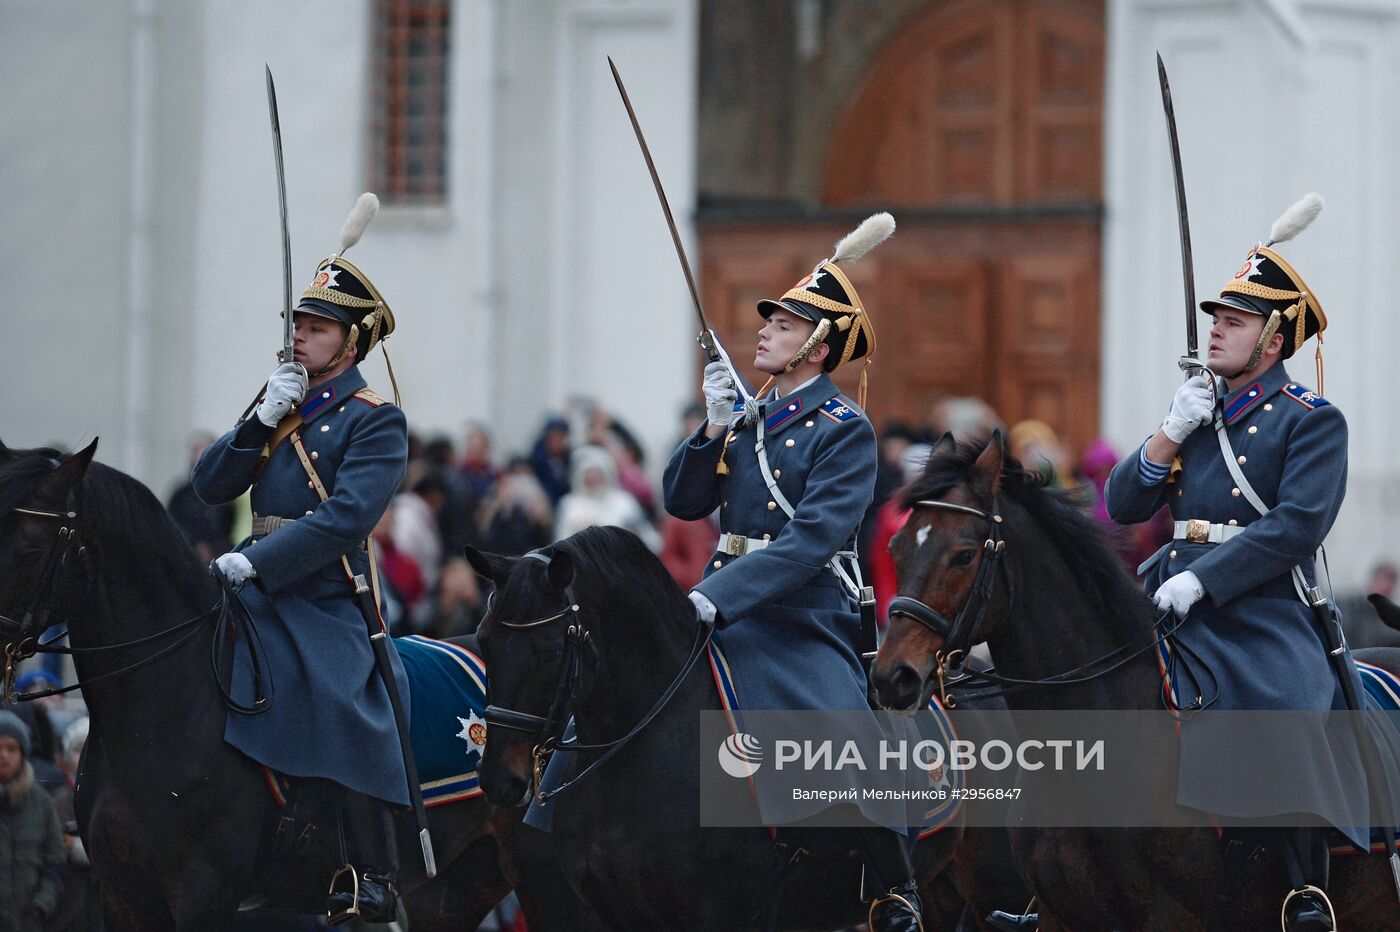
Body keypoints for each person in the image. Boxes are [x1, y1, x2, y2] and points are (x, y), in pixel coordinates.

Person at [1103, 197, 1384, 932]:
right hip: (1168, 598)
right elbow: (1124, 504)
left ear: (1274, 337)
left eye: (1234, 320)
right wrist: (1168, 432)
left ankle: (1305, 888)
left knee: (1286, 712)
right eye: (1215, 319)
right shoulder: (1200, 414)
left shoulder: (1311, 419)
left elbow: (1297, 527)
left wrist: (1207, 579)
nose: (1216, 330)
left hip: (1261, 611)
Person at [663, 214, 924, 931]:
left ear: (818, 345)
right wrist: (713, 425)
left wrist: (716, 597)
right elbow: (683, 501)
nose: (765, 331)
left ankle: (893, 883)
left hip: (798, 617)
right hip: (719, 607)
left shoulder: (845, 429)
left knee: (847, 729)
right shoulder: (748, 420)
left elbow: (811, 541)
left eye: (784, 324)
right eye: (769, 320)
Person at [191, 194, 409, 923]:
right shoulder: (280, 401)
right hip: (251, 574)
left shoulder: (376, 420)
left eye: (315, 329)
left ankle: (370, 870)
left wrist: (261, 563)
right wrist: (256, 420)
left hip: (320, 590)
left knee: (349, 699)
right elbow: (211, 485)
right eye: (297, 325)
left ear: (350, 344)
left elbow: (348, 517)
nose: (299, 337)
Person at [0, 710, 64, 932]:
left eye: (11, 748)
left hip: (28, 924)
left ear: (23, 752)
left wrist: (40, 906)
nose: (4, 756)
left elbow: (55, 864)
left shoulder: (42, 803)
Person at [554, 444, 660, 550]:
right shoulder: (570, 505)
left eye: (597, 473)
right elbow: (559, 543)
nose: (593, 478)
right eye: (589, 474)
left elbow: (649, 539)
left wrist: (633, 536)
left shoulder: (625, 501)